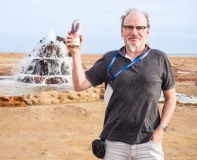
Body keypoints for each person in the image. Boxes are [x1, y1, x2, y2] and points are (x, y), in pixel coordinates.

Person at [66, 8, 176, 160]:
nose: (134, 32)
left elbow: (171, 98)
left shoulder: (159, 58)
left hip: (149, 144)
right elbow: (79, 84)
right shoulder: (110, 59)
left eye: (140, 28)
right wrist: (75, 53)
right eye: (129, 27)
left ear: (147, 31)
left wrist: (161, 130)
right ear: (122, 31)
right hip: (114, 144)